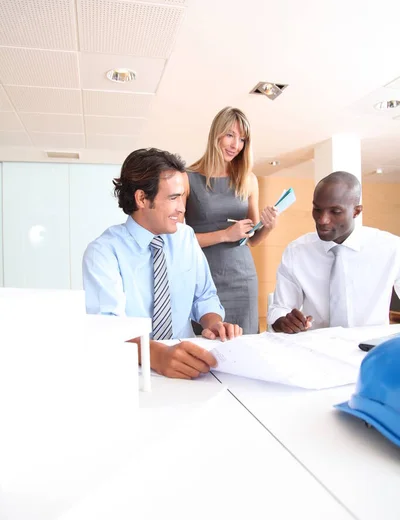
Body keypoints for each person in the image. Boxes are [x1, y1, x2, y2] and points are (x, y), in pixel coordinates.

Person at [83, 148, 242, 379]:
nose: (183, 208)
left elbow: (204, 297)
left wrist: (214, 323)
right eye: (173, 198)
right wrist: (158, 355)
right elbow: (109, 328)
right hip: (133, 370)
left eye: (183, 197)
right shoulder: (103, 253)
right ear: (141, 199)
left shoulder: (186, 237)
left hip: (188, 365)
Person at [184, 107, 278, 335]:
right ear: (215, 134)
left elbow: (253, 239)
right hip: (202, 278)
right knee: (204, 349)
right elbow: (178, 239)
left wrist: (268, 226)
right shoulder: (187, 178)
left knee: (245, 348)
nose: (236, 145)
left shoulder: (248, 179)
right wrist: (226, 235)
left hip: (242, 278)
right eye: (230, 135)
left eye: (242, 139)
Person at [268, 171, 400, 333]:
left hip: (371, 351)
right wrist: (284, 321)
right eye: (317, 209)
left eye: (335, 212)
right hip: (314, 349)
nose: (322, 220)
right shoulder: (297, 252)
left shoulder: (391, 248)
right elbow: (279, 309)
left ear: (356, 211)